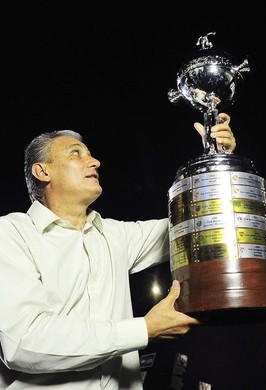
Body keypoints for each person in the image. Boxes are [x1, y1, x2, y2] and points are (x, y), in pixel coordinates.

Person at [0, 113, 235, 389]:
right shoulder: (11, 233)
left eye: (91, 154)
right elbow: (23, 343)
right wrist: (143, 330)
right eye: (76, 154)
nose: (95, 161)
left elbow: (196, 224)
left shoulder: (115, 236)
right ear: (43, 172)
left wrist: (217, 162)